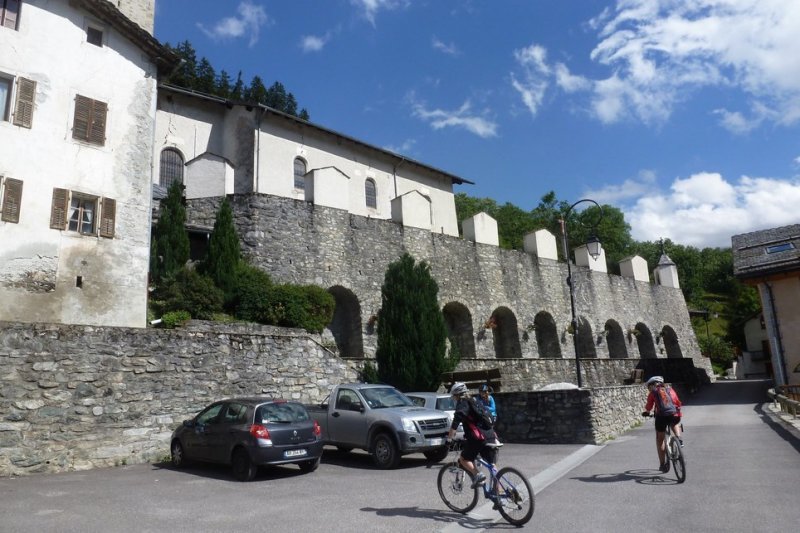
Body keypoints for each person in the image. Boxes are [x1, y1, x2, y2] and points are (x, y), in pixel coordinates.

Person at [447, 382, 499, 489]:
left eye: (454, 396)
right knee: (492, 465)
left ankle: (478, 474)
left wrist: (449, 438)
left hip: (478, 437)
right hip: (490, 434)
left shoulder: (463, 402)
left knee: (464, 459)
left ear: (457, 395)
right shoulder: (475, 400)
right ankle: (499, 494)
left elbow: (457, 420)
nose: (454, 398)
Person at [642, 375, 683, 473]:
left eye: (649, 386)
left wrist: (647, 412)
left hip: (662, 417)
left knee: (660, 440)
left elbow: (649, 406)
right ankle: (678, 438)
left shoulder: (653, 392)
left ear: (653, 385)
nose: (649, 388)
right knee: (674, 422)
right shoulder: (670, 389)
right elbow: (677, 402)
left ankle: (662, 464)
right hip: (675, 414)